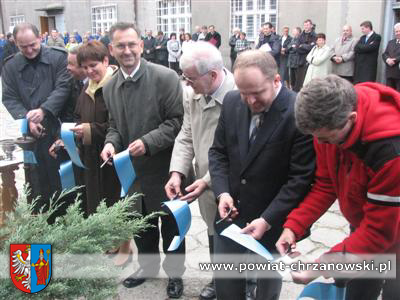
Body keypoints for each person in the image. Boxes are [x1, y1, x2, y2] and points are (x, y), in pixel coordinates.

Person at [276, 74, 400, 300]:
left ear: (352, 119)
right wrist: (294, 225)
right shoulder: (327, 125)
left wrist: (320, 267)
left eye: (326, 139)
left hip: (391, 230)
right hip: (366, 223)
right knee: (357, 288)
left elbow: (379, 233)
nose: (321, 143)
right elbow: (325, 184)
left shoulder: (390, 151)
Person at [208, 50, 315, 300]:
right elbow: (218, 153)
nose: (250, 101)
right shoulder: (234, 101)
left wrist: (267, 219)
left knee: (267, 287)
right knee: (227, 284)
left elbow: (300, 179)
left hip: (273, 219)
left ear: (276, 80)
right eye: (244, 93)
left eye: (257, 93)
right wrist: (222, 192)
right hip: (230, 216)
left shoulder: (298, 112)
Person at [100, 22, 184, 298]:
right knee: (141, 225)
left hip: (165, 169)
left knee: (171, 225)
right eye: (120, 46)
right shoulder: (111, 87)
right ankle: (147, 268)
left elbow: (177, 123)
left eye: (131, 44)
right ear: (112, 50)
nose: (127, 51)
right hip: (133, 173)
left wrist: (148, 142)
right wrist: (111, 144)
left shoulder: (166, 77)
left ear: (141, 45)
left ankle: (175, 275)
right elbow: (114, 125)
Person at [165, 41, 236, 300]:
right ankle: (220, 280)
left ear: (213, 75)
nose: (186, 83)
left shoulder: (238, 96)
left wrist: (207, 180)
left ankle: (247, 282)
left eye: (190, 77)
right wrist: (177, 172)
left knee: (237, 234)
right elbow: (186, 134)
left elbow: (235, 149)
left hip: (231, 181)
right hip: (204, 185)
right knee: (213, 231)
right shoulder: (192, 93)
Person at [2, 23, 71, 217]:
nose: (30, 50)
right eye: (24, 47)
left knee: (61, 178)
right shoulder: (10, 66)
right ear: (16, 43)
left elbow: (64, 88)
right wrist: (27, 118)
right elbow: (9, 98)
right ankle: (40, 220)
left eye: (33, 44)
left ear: (40, 38)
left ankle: (65, 218)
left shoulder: (58, 57)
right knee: (35, 179)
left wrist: (44, 110)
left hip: (58, 126)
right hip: (30, 134)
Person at [293, 19, 316, 92]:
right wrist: (305, 47)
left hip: (309, 61)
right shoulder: (300, 36)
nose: (306, 26)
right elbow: (296, 48)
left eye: (308, 25)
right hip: (300, 60)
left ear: (311, 26)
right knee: (299, 81)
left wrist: (302, 45)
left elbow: (312, 48)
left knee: (307, 80)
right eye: (305, 25)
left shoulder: (315, 36)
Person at [382, 22, 400, 91]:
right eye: (396, 31)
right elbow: (385, 54)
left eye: (399, 31)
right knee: (389, 94)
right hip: (390, 73)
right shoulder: (391, 42)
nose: (398, 33)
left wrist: (394, 60)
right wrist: (387, 60)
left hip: (398, 73)